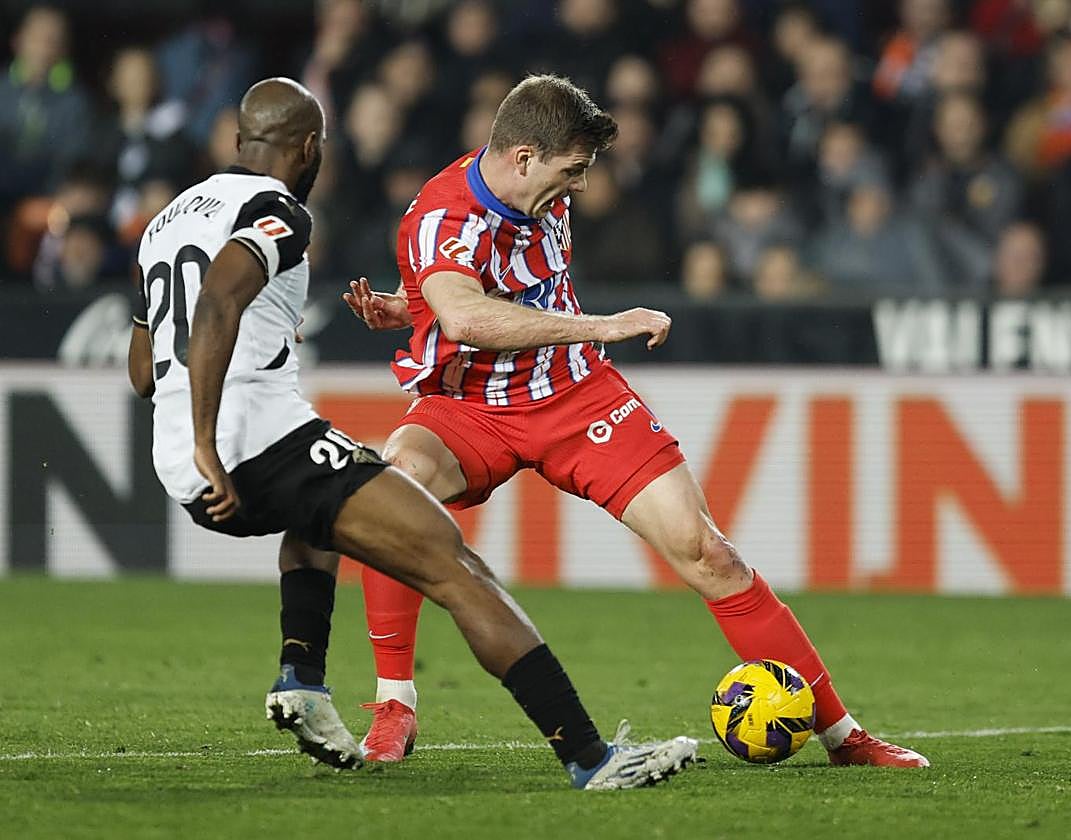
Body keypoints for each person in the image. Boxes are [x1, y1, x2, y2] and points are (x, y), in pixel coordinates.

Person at [125, 77, 698, 790]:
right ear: (310, 149)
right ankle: (593, 760)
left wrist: (201, 428)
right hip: (246, 444)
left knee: (329, 508)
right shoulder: (280, 211)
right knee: (457, 569)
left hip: (179, 459)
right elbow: (217, 300)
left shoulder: (165, 220)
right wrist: (216, 437)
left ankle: (301, 677)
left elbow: (143, 369)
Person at [343, 74, 931, 768]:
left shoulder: (531, 187)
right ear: (523, 157)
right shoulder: (446, 214)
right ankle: (393, 708)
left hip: (573, 395)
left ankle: (843, 736)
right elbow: (467, 316)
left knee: (709, 553)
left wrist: (414, 303)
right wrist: (603, 323)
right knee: (393, 488)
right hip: (470, 406)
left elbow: (472, 291)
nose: (582, 188)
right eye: (573, 171)